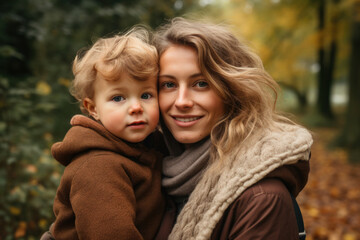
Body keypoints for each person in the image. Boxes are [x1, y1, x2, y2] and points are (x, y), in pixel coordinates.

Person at [153, 17, 313, 239]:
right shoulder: (148, 174)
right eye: (168, 84)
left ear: (232, 92)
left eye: (201, 84)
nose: (181, 101)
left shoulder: (262, 198)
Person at [48, 28, 165, 240]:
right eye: (118, 98)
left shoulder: (145, 148)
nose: (136, 107)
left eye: (146, 95)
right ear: (92, 108)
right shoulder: (97, 167)